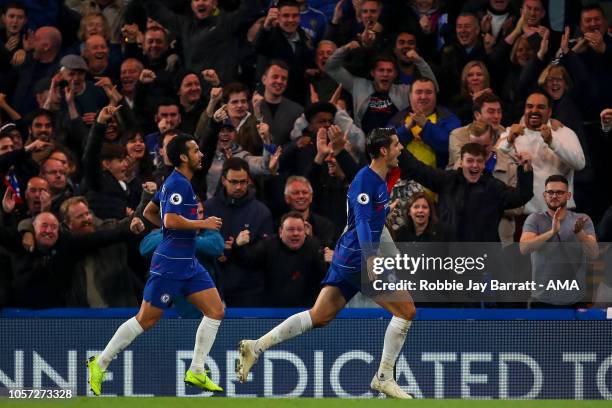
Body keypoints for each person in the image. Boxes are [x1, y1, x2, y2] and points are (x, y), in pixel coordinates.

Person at [236, 128, 417, 399]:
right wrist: (371, 257)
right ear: (383, 151)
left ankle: (255, 347)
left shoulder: (378, 180)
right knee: (406, 310)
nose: (400, 149)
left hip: (350, 256)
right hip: (358, 258)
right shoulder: (366, 181)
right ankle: (384, 377)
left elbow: (372, 223)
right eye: (396, 145)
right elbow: (364, 222)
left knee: (319, 315)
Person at [87, 134, 225, 395]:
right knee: (146, 320)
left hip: (188, 262)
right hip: (171, 263)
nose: (201, 154)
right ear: (183, 157)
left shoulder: (176, 183)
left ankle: (196, 371)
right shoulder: (178, 184)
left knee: (216, 311)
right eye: (196, 150)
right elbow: (171, 221)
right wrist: (202, 224)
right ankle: (100, 362)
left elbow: (153, 212)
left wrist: (149, 223)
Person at [520, 174, 598, 307]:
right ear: (545, 195)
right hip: (542, 299)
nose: (554, 195)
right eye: (550, 192)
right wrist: (551, 232)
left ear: (568, 196)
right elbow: (524, 248)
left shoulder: (582, 219)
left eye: (559, 192)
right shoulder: (534, 219)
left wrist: (580, 234)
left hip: (575, 300)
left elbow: (594, 254)